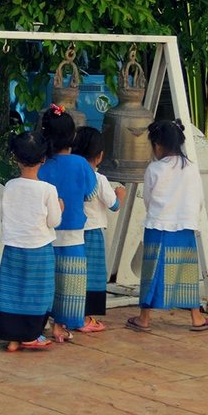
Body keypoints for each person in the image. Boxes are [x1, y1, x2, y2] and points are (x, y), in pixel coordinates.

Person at [125, 119, 208, 333]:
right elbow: (199, 198)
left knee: (153, 271)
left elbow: (148, 199)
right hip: (185, 227)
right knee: (186, 272)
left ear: (157, 146)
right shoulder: (191, 168)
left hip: (158, 226)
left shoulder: (154, 169)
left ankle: (144, 318)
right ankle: (196, 317)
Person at [0, 131, 62, 352]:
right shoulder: (48, 190)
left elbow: (6, 215)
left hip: (13, 247)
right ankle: (31, 334)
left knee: (13, 291)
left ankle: (13, 338)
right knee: (38, 292)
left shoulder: (10, 186)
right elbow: (54, 221)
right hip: (39, 248)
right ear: (43, 158)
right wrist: (60, 206)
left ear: (16, 158)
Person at [38, 104, 96, 342]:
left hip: (46, 233)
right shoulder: (81, 164)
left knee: (47, 282)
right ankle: (61, 325)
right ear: (72, 136)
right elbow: (91, 193)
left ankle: (42, 323)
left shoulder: (41, 165)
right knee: (70, 284)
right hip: (73, 232)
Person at [72, 126, 125, 332]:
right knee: (91, 276)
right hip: (93, 233)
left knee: (75, 274)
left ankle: (70, 313)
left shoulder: (72, 174)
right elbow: (114, 206)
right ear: (100, 156)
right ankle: (85, 317)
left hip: (73, 233)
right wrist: (120, 193)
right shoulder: (99, 179)